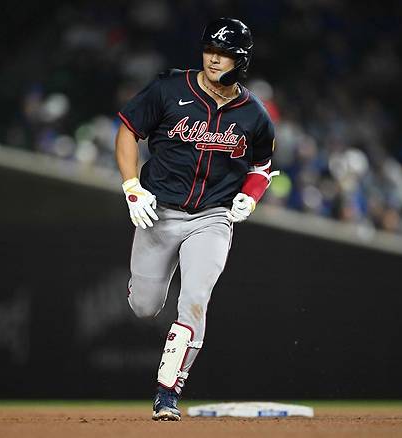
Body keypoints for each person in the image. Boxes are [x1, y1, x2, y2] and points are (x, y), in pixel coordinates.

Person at [115, 17, 277, 421]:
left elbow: (262, 166)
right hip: (159, 211)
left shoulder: (254, 114)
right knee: (145, 306)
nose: (214, 59)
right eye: (210, 50)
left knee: (194, 300)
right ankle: (143, 290)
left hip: (212, 217)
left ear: (241, 60)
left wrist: (251, 196)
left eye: (224, 53)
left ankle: (167, 392)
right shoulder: (169, 88)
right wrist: (131, 186)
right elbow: (128, 131)